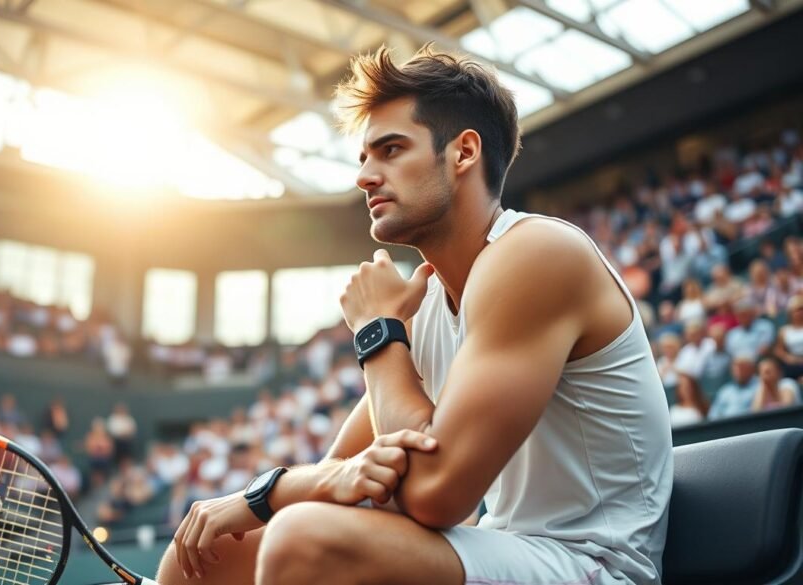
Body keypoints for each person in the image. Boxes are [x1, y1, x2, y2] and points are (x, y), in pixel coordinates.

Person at [158, 46, 672, 585]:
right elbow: (344, 475)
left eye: (391, 149)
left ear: (464, 152)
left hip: (596, 566)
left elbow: (433, 494)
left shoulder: (536, 252)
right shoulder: (424, 302)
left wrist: (377, 333)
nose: (365, 176)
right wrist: (272, 494)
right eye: (363, 157)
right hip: (502, 548)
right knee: (206, 552)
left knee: (302, 539)